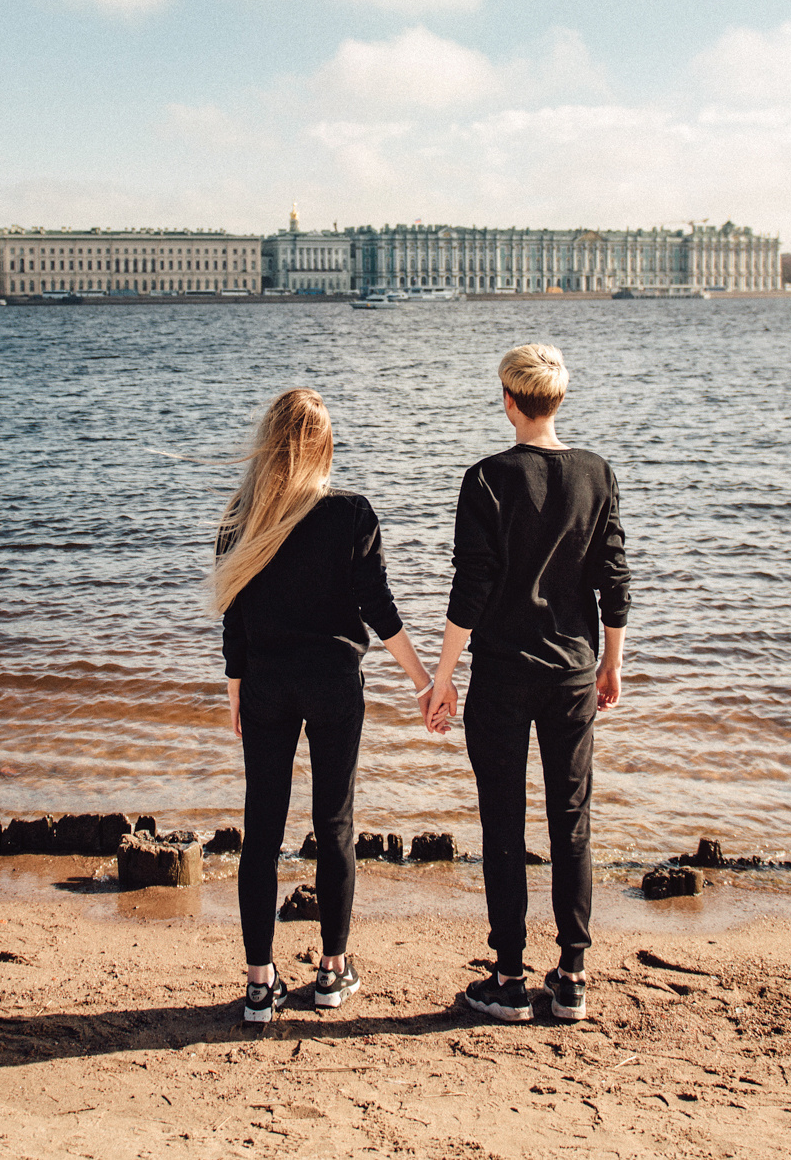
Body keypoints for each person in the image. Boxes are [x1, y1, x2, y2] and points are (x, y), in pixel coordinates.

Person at [215, 387, 436, 1025]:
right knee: (335, 825)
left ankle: (260, 985)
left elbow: (234, 613)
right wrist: (424, 681)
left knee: (262, 830)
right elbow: (380, 609)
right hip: (335, 684)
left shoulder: (240, 517)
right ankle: (333, 972)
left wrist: (235, 684)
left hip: (267, 683)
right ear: (324, 446)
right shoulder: (351, 513)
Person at [421, 344, 628, 1024]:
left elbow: (471, 588)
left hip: (503, 675)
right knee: (572, 820)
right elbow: (613, 580)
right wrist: (612, 663)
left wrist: (442, 678)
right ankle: (572, 976)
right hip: (572, 672)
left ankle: (508, 978)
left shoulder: (486, 478)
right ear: (557, 399)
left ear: (509, 401)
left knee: (503, 822)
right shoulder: (596, 474)